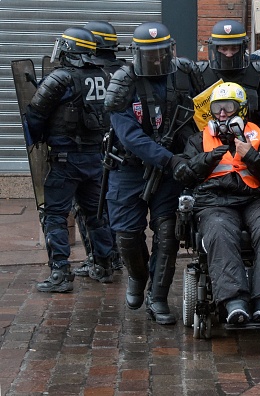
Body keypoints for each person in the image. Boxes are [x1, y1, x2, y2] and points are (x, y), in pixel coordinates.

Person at [104, 22, 200, 325]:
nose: (157, 59)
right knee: (127, 234)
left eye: (162, 53)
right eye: (150, 54)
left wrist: (188, 157)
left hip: (171, 171)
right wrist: (168, 160)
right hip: (131, 169)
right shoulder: (123, 81)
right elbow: (129, 135)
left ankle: (158, 298)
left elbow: (200, 117)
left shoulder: (184, 74)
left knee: (168, 234)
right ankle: (137, 275)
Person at [172, 82, 260, 325]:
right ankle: (234, 301)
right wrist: (206, 160)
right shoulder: (198, 140)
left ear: (242, 110)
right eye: (217, 108)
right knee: (218, 229)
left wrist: (252, 156)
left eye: (228, 107)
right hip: (215, 202)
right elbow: (182, 173)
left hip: (256, 200)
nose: (222, 114)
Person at [24, 27, 115, 292]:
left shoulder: (60, 78)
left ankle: (61, 273)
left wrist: (42, 139)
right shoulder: (102, 75)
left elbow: (34, 116)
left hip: (66, 161)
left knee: (54, 214)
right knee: (95, 215)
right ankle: (104, 265)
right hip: (96, 159)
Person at [73, 20, 126, 278]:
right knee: (114, 204)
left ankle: (99, 258)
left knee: (92, 209)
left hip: (93, 149)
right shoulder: (127, 70)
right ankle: (117, 256)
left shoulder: (88, 72)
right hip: (121, 150)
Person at [194, 20, 260, 132]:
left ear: (242, 49)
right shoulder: (201, 74)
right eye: (224, 49)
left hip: (252, 136)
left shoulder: (258, 73)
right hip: (211, 138)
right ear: (215, 49)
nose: (229, 54)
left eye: (234, 49)